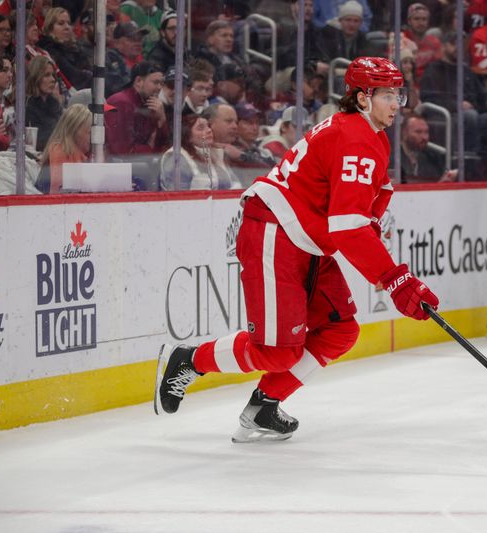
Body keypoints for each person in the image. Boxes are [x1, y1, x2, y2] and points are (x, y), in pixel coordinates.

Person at [153, 56, 439, 442]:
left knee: (339, 330)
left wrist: (383, 263)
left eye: (397, 94)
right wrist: (395, 280)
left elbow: (356, 214)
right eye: (387, 94)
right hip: (277, 231)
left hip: (306, 237)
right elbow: (349, 227)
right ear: (361, 98)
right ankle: (188, 359)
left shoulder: (368, 134)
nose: (395, 103)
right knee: (277, 352)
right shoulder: (356, 136)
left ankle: (264, 405)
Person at [105, 61, 168, 156]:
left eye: (162, 83)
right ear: (138, 81)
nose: (159, 87)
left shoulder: (151, 104)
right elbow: (121, 150)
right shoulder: (120, 102)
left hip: (141, 165)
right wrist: (149, 148)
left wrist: (162, 119)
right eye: (156, 82)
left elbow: (163, 147)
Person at [160, 114, 233, 190]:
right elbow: (178, 198)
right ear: (187, 136)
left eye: (208, 126)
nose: (209, 130)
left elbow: (231, 185)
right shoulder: (176, 158)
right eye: (201, 128)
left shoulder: (215, 153)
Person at [37, 103, 92, 194]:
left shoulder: (78, 155)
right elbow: (61, 197)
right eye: (89, 132)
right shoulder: (61, 152)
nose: (93, 137)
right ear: (75, 131)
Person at [399, 114, 457, 183]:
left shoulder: (435, 158)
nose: (424, 137)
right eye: (418, 132)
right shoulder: (391, 158)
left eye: (426, 132)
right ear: (404, 133)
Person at [25, 56, 63, 153]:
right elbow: (39, 139)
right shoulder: (27, 105)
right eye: (47, 75)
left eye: (53, 75)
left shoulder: (54, 103)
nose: (53, 79)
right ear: (36, 77)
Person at [105, 21, 148, 97]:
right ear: (116, 43)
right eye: (131, 39)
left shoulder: (143, 61)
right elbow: (118, 87)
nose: (137, 43)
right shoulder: (109, 59)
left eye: (140, 39)